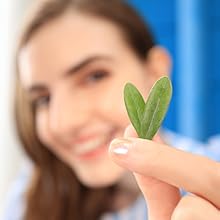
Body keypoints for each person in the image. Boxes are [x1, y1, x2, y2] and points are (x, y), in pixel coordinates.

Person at [2, 0, 220, 219]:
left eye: (94, 76)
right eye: (43, 99)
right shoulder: (30, 199)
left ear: (155, 71)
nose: (64, 123)